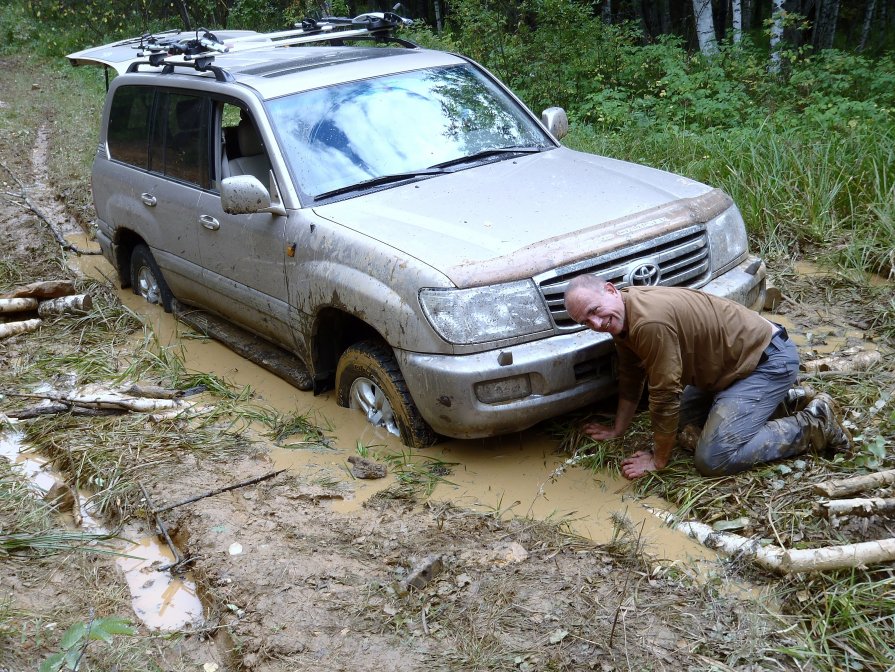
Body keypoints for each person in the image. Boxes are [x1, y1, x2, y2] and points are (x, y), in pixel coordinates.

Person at [563, 275, 850, 479]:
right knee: (681, 426)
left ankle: (815, 424)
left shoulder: (649, 322)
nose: (596, 324)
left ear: (611, 290)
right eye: (586, 322)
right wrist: (617, 429)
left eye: (594, 311)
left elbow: (664, 396)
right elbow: (630, 376)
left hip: (766, 361)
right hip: (728, 370)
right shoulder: (624, 314)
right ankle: (789, 399)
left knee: (713, 457)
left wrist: (658, 461)